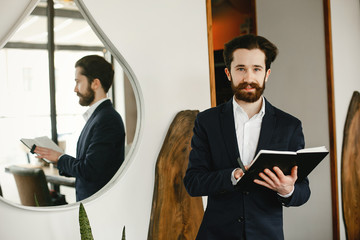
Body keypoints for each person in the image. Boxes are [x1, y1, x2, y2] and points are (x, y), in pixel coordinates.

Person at [183, 34, 311, 240]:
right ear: (228, 73)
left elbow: (303, 191)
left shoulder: (290, 126)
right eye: (241, 69)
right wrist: (233, 176)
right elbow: (193, 183)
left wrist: (287, 190)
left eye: (256, 69)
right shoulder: (207, 122)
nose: (248, 78)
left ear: (267, 74)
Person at [35, 55, 125, 201]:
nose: (75, 89)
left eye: (78, 82)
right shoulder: (98, 116)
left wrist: (59, 157)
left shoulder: (107, 119)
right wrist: (57, 159)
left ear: (95, 83)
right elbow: (87, 167)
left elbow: (90, 170)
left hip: (98, 206)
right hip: (91, 205)